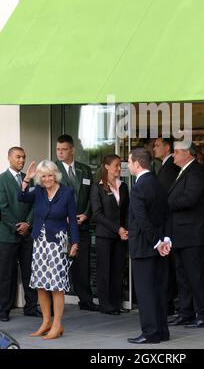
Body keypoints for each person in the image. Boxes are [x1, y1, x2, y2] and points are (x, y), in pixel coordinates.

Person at [18, 160, 79, 339]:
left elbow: (72, 220)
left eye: (49, 175)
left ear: (56, 175)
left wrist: (75, 242)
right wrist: (27, 179)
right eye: (43, 176)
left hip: (56, 244)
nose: (46, 179)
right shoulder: (38, 191)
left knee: (56, 285)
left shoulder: (67, 192)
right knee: (41, 285)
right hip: (39, 243)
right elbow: (21, 197)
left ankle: (57, 324)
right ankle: (46, 322)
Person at [127, 148, 171, 344]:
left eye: (129, 162)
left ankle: (150, 333)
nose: (128, 166)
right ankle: (162, 331)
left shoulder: (138, 187)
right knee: (159, 290)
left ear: (137, 163)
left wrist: (156, 242)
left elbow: (142, 221)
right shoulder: (158, 184)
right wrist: (165, 240)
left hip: (145, 248)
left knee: (145, 293)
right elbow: (167, 216)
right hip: (159, 246)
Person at [168, 142, 204, 328]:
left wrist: (167, 203)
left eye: (177, 152)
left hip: (194, 235)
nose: (173, 156)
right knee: (183, 277)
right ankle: (186, 313)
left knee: (195, 277)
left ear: (187, 153)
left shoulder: (196, 172)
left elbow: (190, 199)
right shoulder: (185, 171)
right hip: (182, 235)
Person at [56, 134, 97, 311]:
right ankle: (53, 303)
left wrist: (87, 214)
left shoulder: (85, 170)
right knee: (57, 265)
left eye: (64, 149)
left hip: (82, 225)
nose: (60, 153)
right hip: (60, 226)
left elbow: (91, 196)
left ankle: (86, 301)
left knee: (82, 266)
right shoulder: (52, 170)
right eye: (58, 149)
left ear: (72, 150)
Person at [0, 147, 40, 322]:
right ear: (9, 158)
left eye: (23, 157)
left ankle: (31, 307)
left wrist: (28, 224)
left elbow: (35, 205)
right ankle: (3, 310)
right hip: (8, 235)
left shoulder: (29, 179)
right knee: (6, 274)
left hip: (28, 234)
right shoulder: (1, 180)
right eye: (18, 157)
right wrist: (17, 226)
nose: (22, 160)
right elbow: (2, 208)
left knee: (30, 273)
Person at [90, 154, 129, 315]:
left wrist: (125, 229)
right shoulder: (97, 187)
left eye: (120, 165)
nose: (119, 168)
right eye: (116, 165)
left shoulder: (124, 186)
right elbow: (97, 214)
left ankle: (116, 302)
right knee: (104, 270)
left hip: (121, 235)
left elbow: (127, 211)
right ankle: (106, 305)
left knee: (118, 269)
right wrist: (117, 228)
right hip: (105, 235)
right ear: (106, 166)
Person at [153, 137, 180, 315]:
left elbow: (164, 197)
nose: (154, 148)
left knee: (169, 266)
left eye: (157, 145)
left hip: (168, 224)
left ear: (167, 147)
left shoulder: (170, 167)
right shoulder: (164, 165)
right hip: (168, 224)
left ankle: (168, 303)